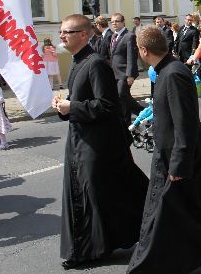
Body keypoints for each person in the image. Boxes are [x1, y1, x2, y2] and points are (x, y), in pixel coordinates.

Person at [128, 26, 201, 274]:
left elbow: (185, 122)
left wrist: (179, 163)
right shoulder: (165, 71)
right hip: (169, 154)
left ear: (144, 50)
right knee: (178, 209)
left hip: (182, 155)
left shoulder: (173, 74)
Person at [52, 14, 148, 270]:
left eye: (67, 32)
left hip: (98, 142)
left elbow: (107, 105)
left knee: (99, 192)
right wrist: (66, 107)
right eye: (61, 32)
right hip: (81, 138)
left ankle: (156, 225)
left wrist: (72, 106)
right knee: (90, 194)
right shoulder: (77, 61)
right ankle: (88, 250)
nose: (61, 36)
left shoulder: (96, 64)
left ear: (84, 34)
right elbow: (82, 100)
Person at [110, 12, 143, 125]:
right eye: (112, 21)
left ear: (123, 22)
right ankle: (126, 122)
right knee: (123, 98)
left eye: (117, 21)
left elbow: (131, 56)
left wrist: (130, 75)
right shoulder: (114, 36)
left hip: (125, 73)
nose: (114, 23)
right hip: (115, 73)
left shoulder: (129, 36)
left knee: (121, 94)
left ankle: (143, 113)